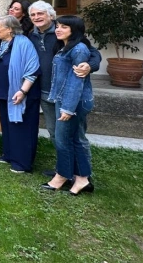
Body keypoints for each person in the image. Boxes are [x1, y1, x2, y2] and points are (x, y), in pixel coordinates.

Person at [28, 0, 100, 177]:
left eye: (40, 14)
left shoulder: (65, 33)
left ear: (50, 15)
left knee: (77, 137)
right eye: (33, 15)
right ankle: (65, 170)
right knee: (56, 135)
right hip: (46, 92)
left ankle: (82, 175)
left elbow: (92, 53)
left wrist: (90, 65)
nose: (36, 17)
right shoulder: (32, 36)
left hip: (65, 95)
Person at [42, 15, 95, 195]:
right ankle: (82, 178)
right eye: (57, 26)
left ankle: (62, 176)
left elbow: (76, 82)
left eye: (64, 27)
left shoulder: (78, 49)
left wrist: (68, 108)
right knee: (74, 140)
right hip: (63, 99)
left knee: (64, 140)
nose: (58, 29)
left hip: (71, 102)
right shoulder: (65, 47)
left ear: (75, 30)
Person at [0, 15, 41, 173]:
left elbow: (33, 70)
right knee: (7, 125)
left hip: (19, 92)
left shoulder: (24, 43)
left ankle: (22, 163)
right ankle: (8, 154)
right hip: (2, 91)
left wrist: (23, 91)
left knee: (21, 127)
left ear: (9, 29)